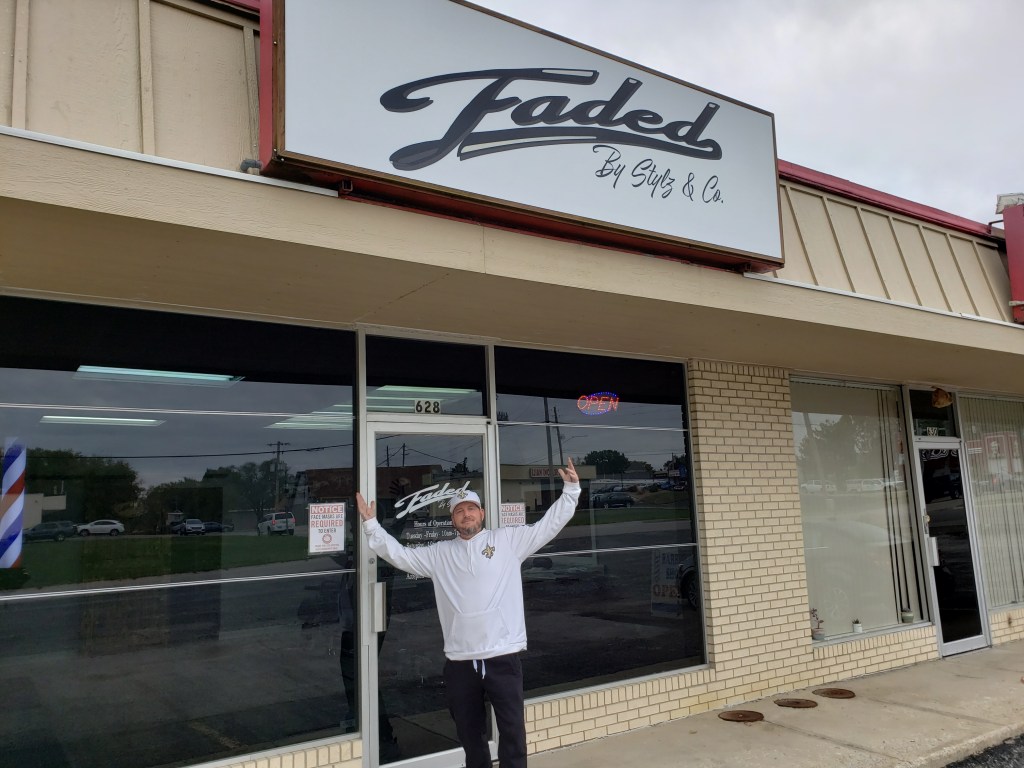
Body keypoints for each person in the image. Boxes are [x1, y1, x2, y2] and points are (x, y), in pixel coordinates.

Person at [356, 458, 580, 768]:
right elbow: (400, 556)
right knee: (470, 737)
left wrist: (571, 490)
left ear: (482, 513)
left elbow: (549, 525)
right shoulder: (439, 554)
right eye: (459, 511)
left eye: (471, 509)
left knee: (513, 734)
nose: (466, 514)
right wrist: (372, 526)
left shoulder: (509, 541)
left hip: (502, 656)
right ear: (453, 519)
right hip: (460, 662)